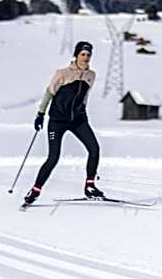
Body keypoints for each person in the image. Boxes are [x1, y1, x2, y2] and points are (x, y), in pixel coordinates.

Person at [22, 41, 104, 206]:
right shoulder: (62, 73)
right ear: (76, 55)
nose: (86, 58)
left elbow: (85, 95)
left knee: (94, 149)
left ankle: (90, 186)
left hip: (78, 120)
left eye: (88, 55)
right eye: (82, 54)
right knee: (53, 157)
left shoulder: (91, 75)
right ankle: (35, 190)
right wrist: (40, 114)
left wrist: (83, 111)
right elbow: (49, 93)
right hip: (57, 121)